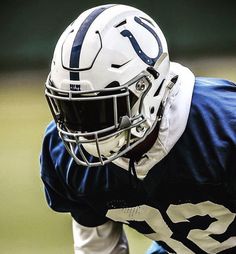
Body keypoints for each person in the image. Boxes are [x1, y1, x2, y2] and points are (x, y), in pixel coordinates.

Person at [40, 4, 236, 254]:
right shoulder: (64, 154)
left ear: (148, 90)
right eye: (72, 110)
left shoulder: (224, 131)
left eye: (100, 110)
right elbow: (99, 249)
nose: (84, 132)